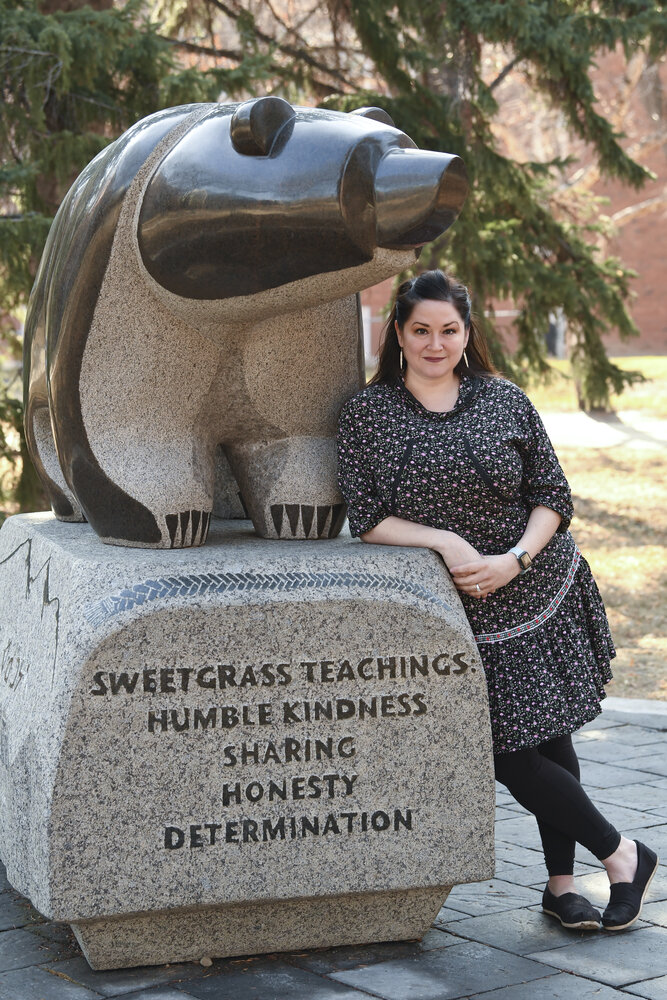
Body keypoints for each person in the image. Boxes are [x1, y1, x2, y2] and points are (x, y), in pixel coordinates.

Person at [337, 269, 658, 932]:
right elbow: (366, 517)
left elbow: (552, 499)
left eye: (448, 330)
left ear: (466, 333)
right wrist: (447, 542)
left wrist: (513, 560)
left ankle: (560, 886)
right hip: (453, 611)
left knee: (547, 736)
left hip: (537, 589)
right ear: (397, 333)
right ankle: (623, 853)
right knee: (505, 748)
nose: (434, 343)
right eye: (420, 330)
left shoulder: (503, 399)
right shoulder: (367, 413)